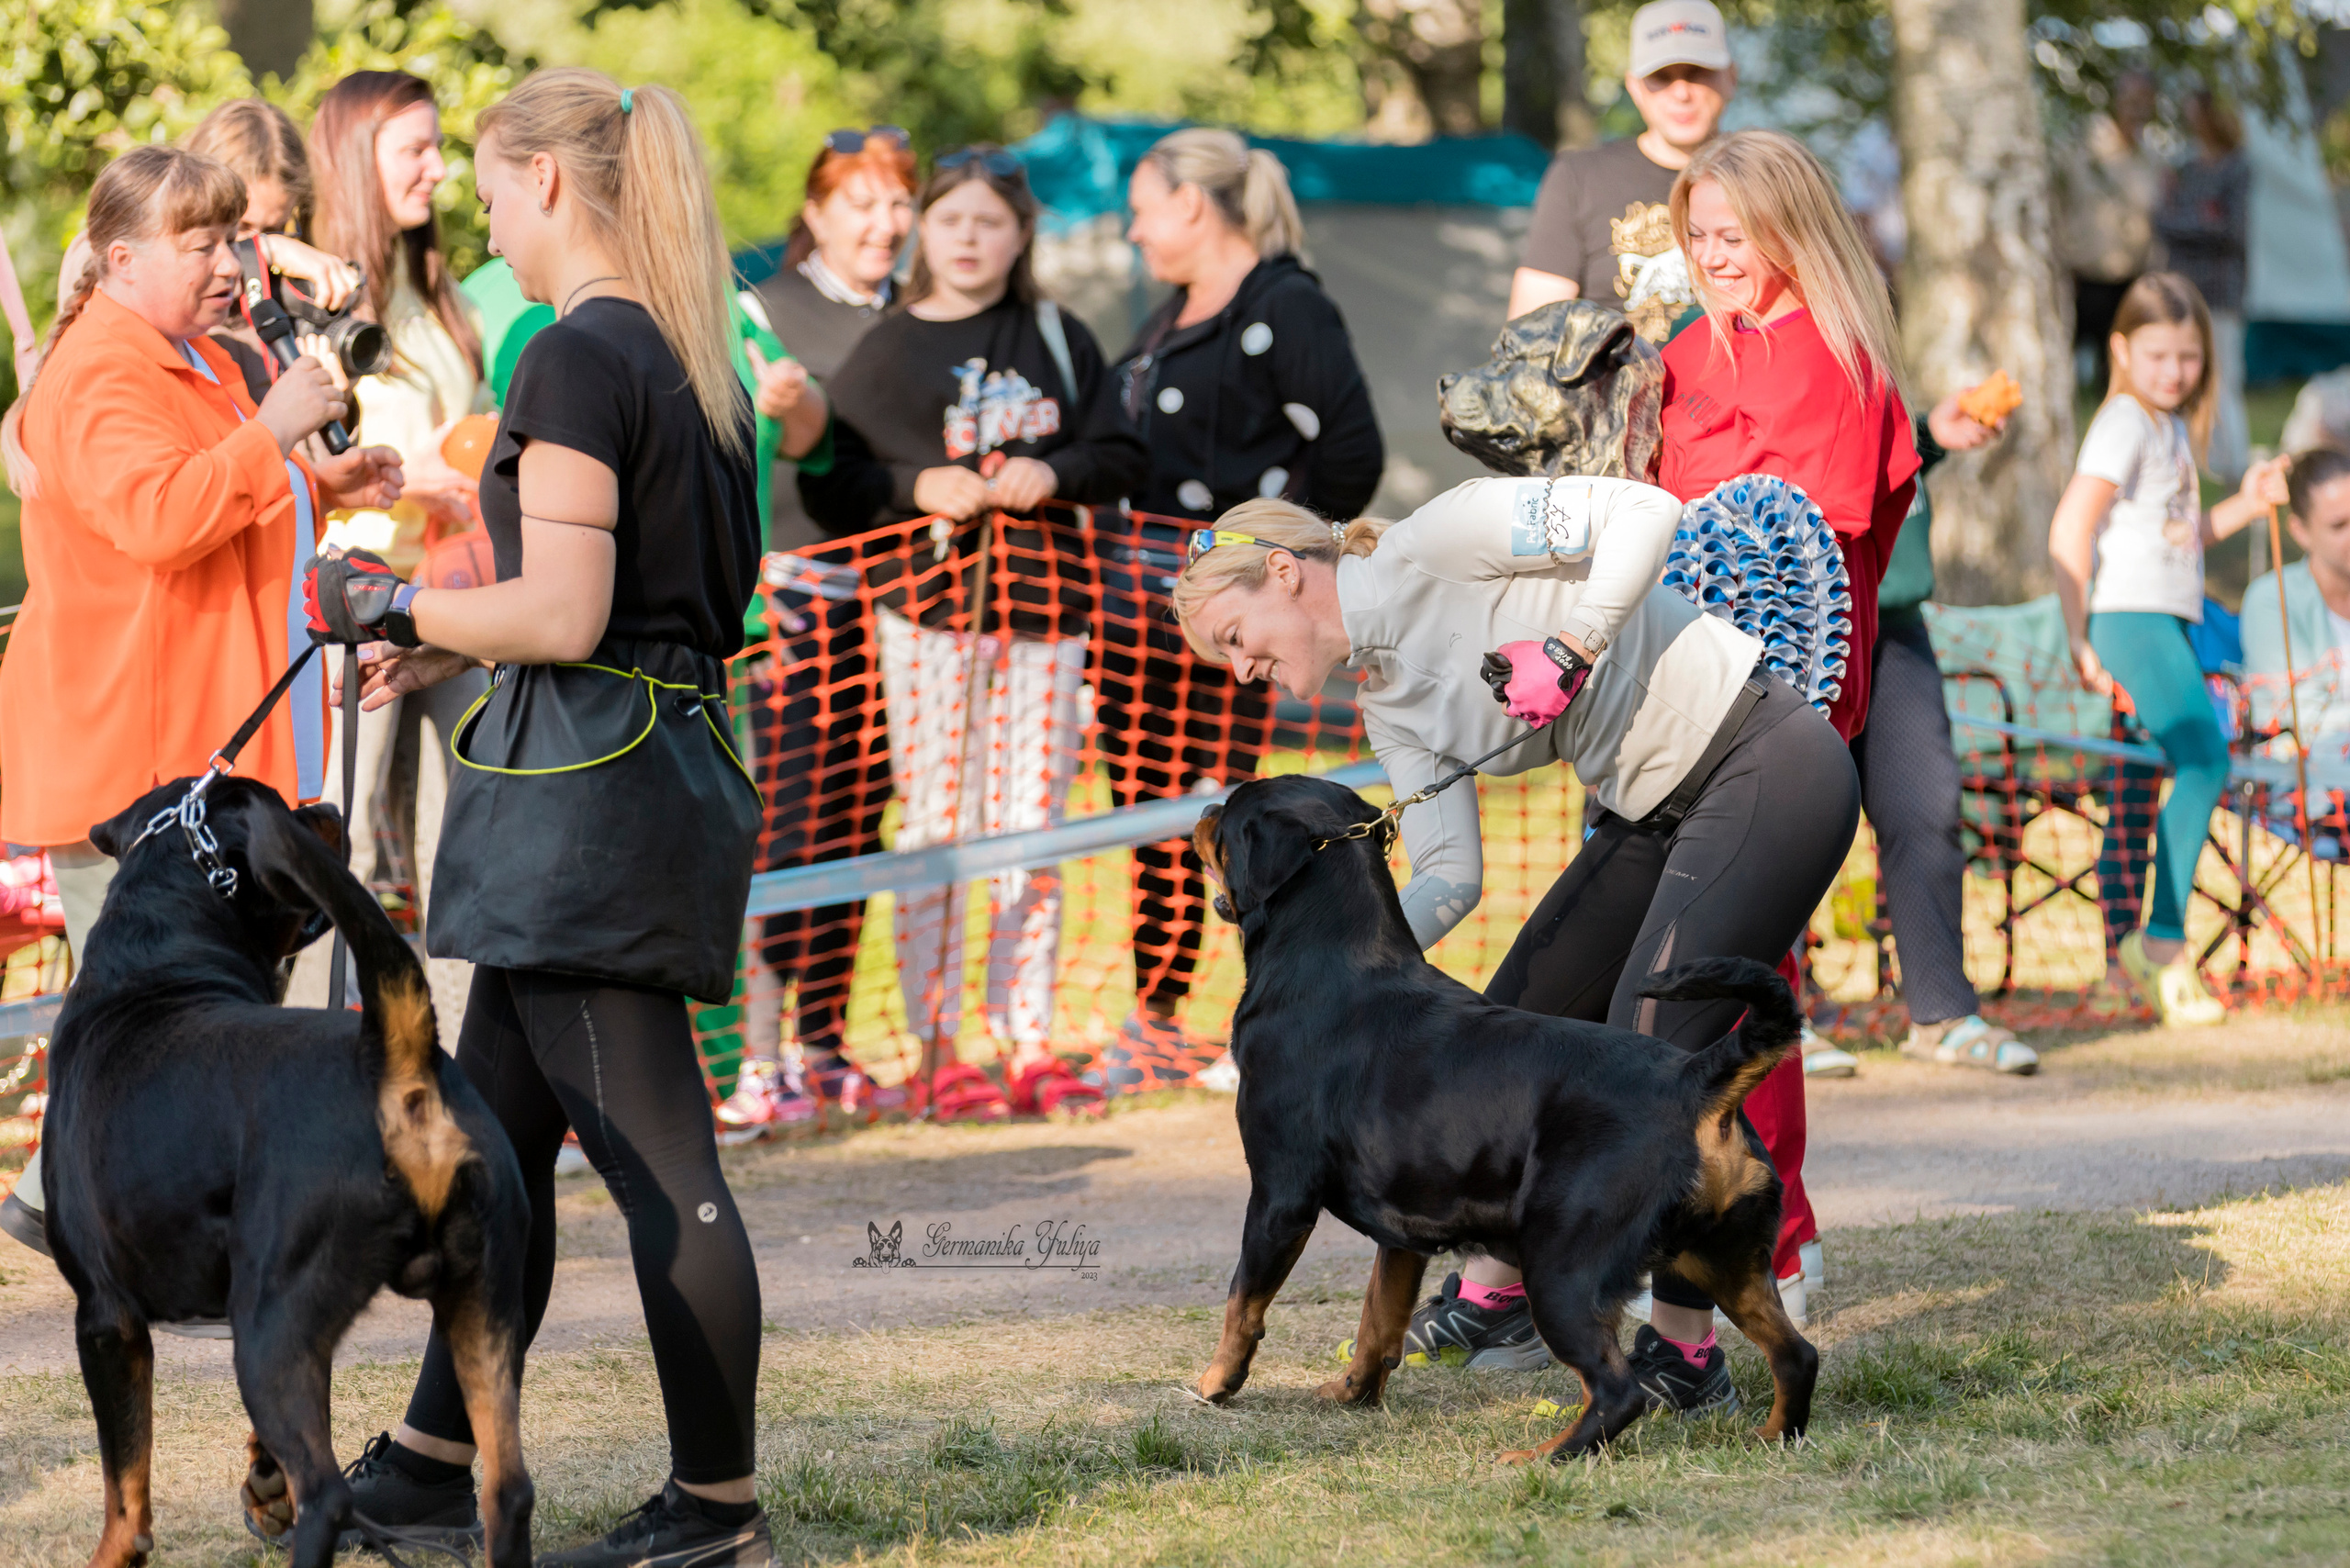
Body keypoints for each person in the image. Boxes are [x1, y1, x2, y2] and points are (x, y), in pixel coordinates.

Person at [318, 70, 775, 1566]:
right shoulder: (685, 355)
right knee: (497, 1145)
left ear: (553, 185)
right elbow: (635, 606)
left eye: (498, 191)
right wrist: (452, 640)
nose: (489, 222)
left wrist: (393, 596)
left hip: (592, 802)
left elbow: (575, 608)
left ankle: (713, 1510)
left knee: (662, 1168)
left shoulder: (579, 356)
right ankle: (429, 1459)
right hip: (634, 773)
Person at [1168, 478, 1857, 1416]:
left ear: (1283, 574)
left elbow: (1649, 513)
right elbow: (1449, 871)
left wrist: (1570, 648)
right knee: (1515, 1022)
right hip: (1650, 810)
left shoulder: (1438, 539)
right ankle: (1505, 1298)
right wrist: (1316, 993)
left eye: (1233, 639)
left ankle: (1686, 1358)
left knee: (1648, 1055)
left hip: (1760, 759)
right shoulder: (1389, 706)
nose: (1238, 669)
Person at [0, 145, 400, 1255]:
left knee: (175, 1007)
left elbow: (214, 485)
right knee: (154, 1014)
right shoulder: (98, 372)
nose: (230, 263)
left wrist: (318, 480)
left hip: (193, 745)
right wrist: (276, 430)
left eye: (233, 239)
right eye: (203, 243)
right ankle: (108, 1211)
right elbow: (159, 517)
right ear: (120, 257)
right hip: (128, 754)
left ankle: (66, 1197)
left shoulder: (185, 355)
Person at [800, 146, 1147, 1121]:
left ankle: (1026, 1036)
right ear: (925, 231)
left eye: (989, 222)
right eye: (950, 219)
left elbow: (1121, 450)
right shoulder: (886, 346)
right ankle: (940, 1041)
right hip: (927, 625)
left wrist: (1060, 471)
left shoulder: (1057, 334)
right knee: (938, 829)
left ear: (1020, 235)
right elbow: (832, 482)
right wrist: (920, 486)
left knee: (1028, 829)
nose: (967, 238)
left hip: (1045, 620)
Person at [1648, 127, 1919, 1320]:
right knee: (1671, 974)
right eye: (1697, 235)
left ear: (1790, 236)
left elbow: (1816, 543)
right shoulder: (1682, 356)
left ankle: (1780, 1241)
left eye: (1735, 238)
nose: (1714, 257)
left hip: (1780, 711)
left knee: (1742, 972)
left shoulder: (1834, 363)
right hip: (1666, 701)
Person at [1099, 126, 1383, 1092]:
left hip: (1232, 629)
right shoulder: (1165, 321)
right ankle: (1158, 1014)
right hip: (1145, 621)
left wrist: (1264, 573)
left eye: (1141, 210)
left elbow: (1349, 455)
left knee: (1234, 812)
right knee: (1151, 813)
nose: (1133, 233)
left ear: (1189, 203)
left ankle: (1259, 1014)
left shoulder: (1285, 306)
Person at [723, 126, 919, 1132]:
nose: (883, 224)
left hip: (897, 612)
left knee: (861, 818)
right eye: (861, 204)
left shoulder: (919, 315)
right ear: (815, 214)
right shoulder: (761, 311)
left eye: (896, 204)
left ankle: (826, 1040)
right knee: (789, 823)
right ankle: (760, 1057)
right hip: (789, 607)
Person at [2048, 272, 2290, 1030]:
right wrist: (2080, 633)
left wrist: (2246, 506)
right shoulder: (2124, 420)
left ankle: (2125, 954)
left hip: (2166, 613)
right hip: (2130, 620)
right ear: (2120, 348)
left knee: (2139, 782)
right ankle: (2162, 942)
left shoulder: (2170, 427)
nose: (2174, 372)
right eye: (2157, 355)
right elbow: (2069, 528)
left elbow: (2178, 539)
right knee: (2204, 759)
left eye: (2188, 357)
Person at [304, 72, 494, 977]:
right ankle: (328, 1075)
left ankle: (467, 1079)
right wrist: (397, 478)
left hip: (450, 596)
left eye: (439, 145)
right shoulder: (311, 297)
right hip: (351, 604)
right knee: (350, 858)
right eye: (415, 149)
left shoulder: (434, 288)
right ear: (354, 161)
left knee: (469, 837)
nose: (439, 169)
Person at [1845, 397, 2041, 1079]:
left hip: (1894, 625)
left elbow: (1872, 455)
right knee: (1788, 820)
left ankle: (1943, 1014)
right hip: (1802, 614)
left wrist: (1927, 434)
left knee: (1926, 807)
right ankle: (1776, 1021)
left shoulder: (1871, 347)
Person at [1506, 0, 1732, 336]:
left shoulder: (1770, 177)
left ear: (1731, 76)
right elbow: (1531, 336)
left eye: (1698, 73)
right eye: (1661, 77)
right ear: (1634, 86)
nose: (1681, 92)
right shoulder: (1578, 178)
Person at [2155, 91, 2252, 485]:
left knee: (2224, 376)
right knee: (2181, 375)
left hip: (2221, 291)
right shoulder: (2186, 169)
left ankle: (2235, 463)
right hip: (2183, 290)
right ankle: (2189, 458)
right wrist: (2200, 220)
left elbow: (2230, 230)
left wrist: (2189, 222)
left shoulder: (2236, 168)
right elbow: (2163, 221)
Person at [2051, 70, 2162, 391]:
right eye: (2130, 99)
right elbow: (2055, 205)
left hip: (2130, 279)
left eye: (2144, 101)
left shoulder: (2152, 160)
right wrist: (2061, 258)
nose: (2137, 108)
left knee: (2116, 376)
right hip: (2083, 279)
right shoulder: (2082, 152)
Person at [2242, 445, 2350, 739]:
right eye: (2339, 526)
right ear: (2300, 530)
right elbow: (2291, 714)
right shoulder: (2272, 598)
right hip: (2305, 776)